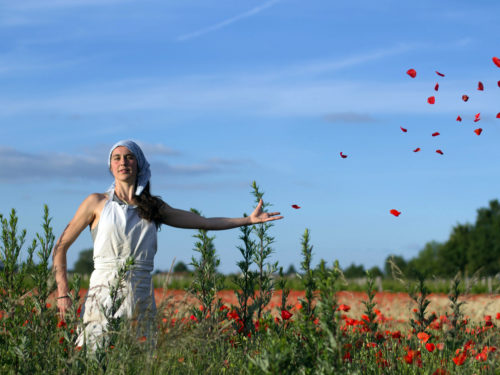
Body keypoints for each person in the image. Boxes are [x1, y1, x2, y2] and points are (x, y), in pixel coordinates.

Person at [52, 139, 283, 348]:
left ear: (139, 164)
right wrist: (62, 290)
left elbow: (203, 222)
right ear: (110, 166)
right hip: (103, 288)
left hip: (140, 290)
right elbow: (61, 247)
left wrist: (248, 220)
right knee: (97, 356)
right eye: (117, 158)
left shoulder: (154, 207)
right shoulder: (96, 202)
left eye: (129, 157)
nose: (123, 162)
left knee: (138, 359)